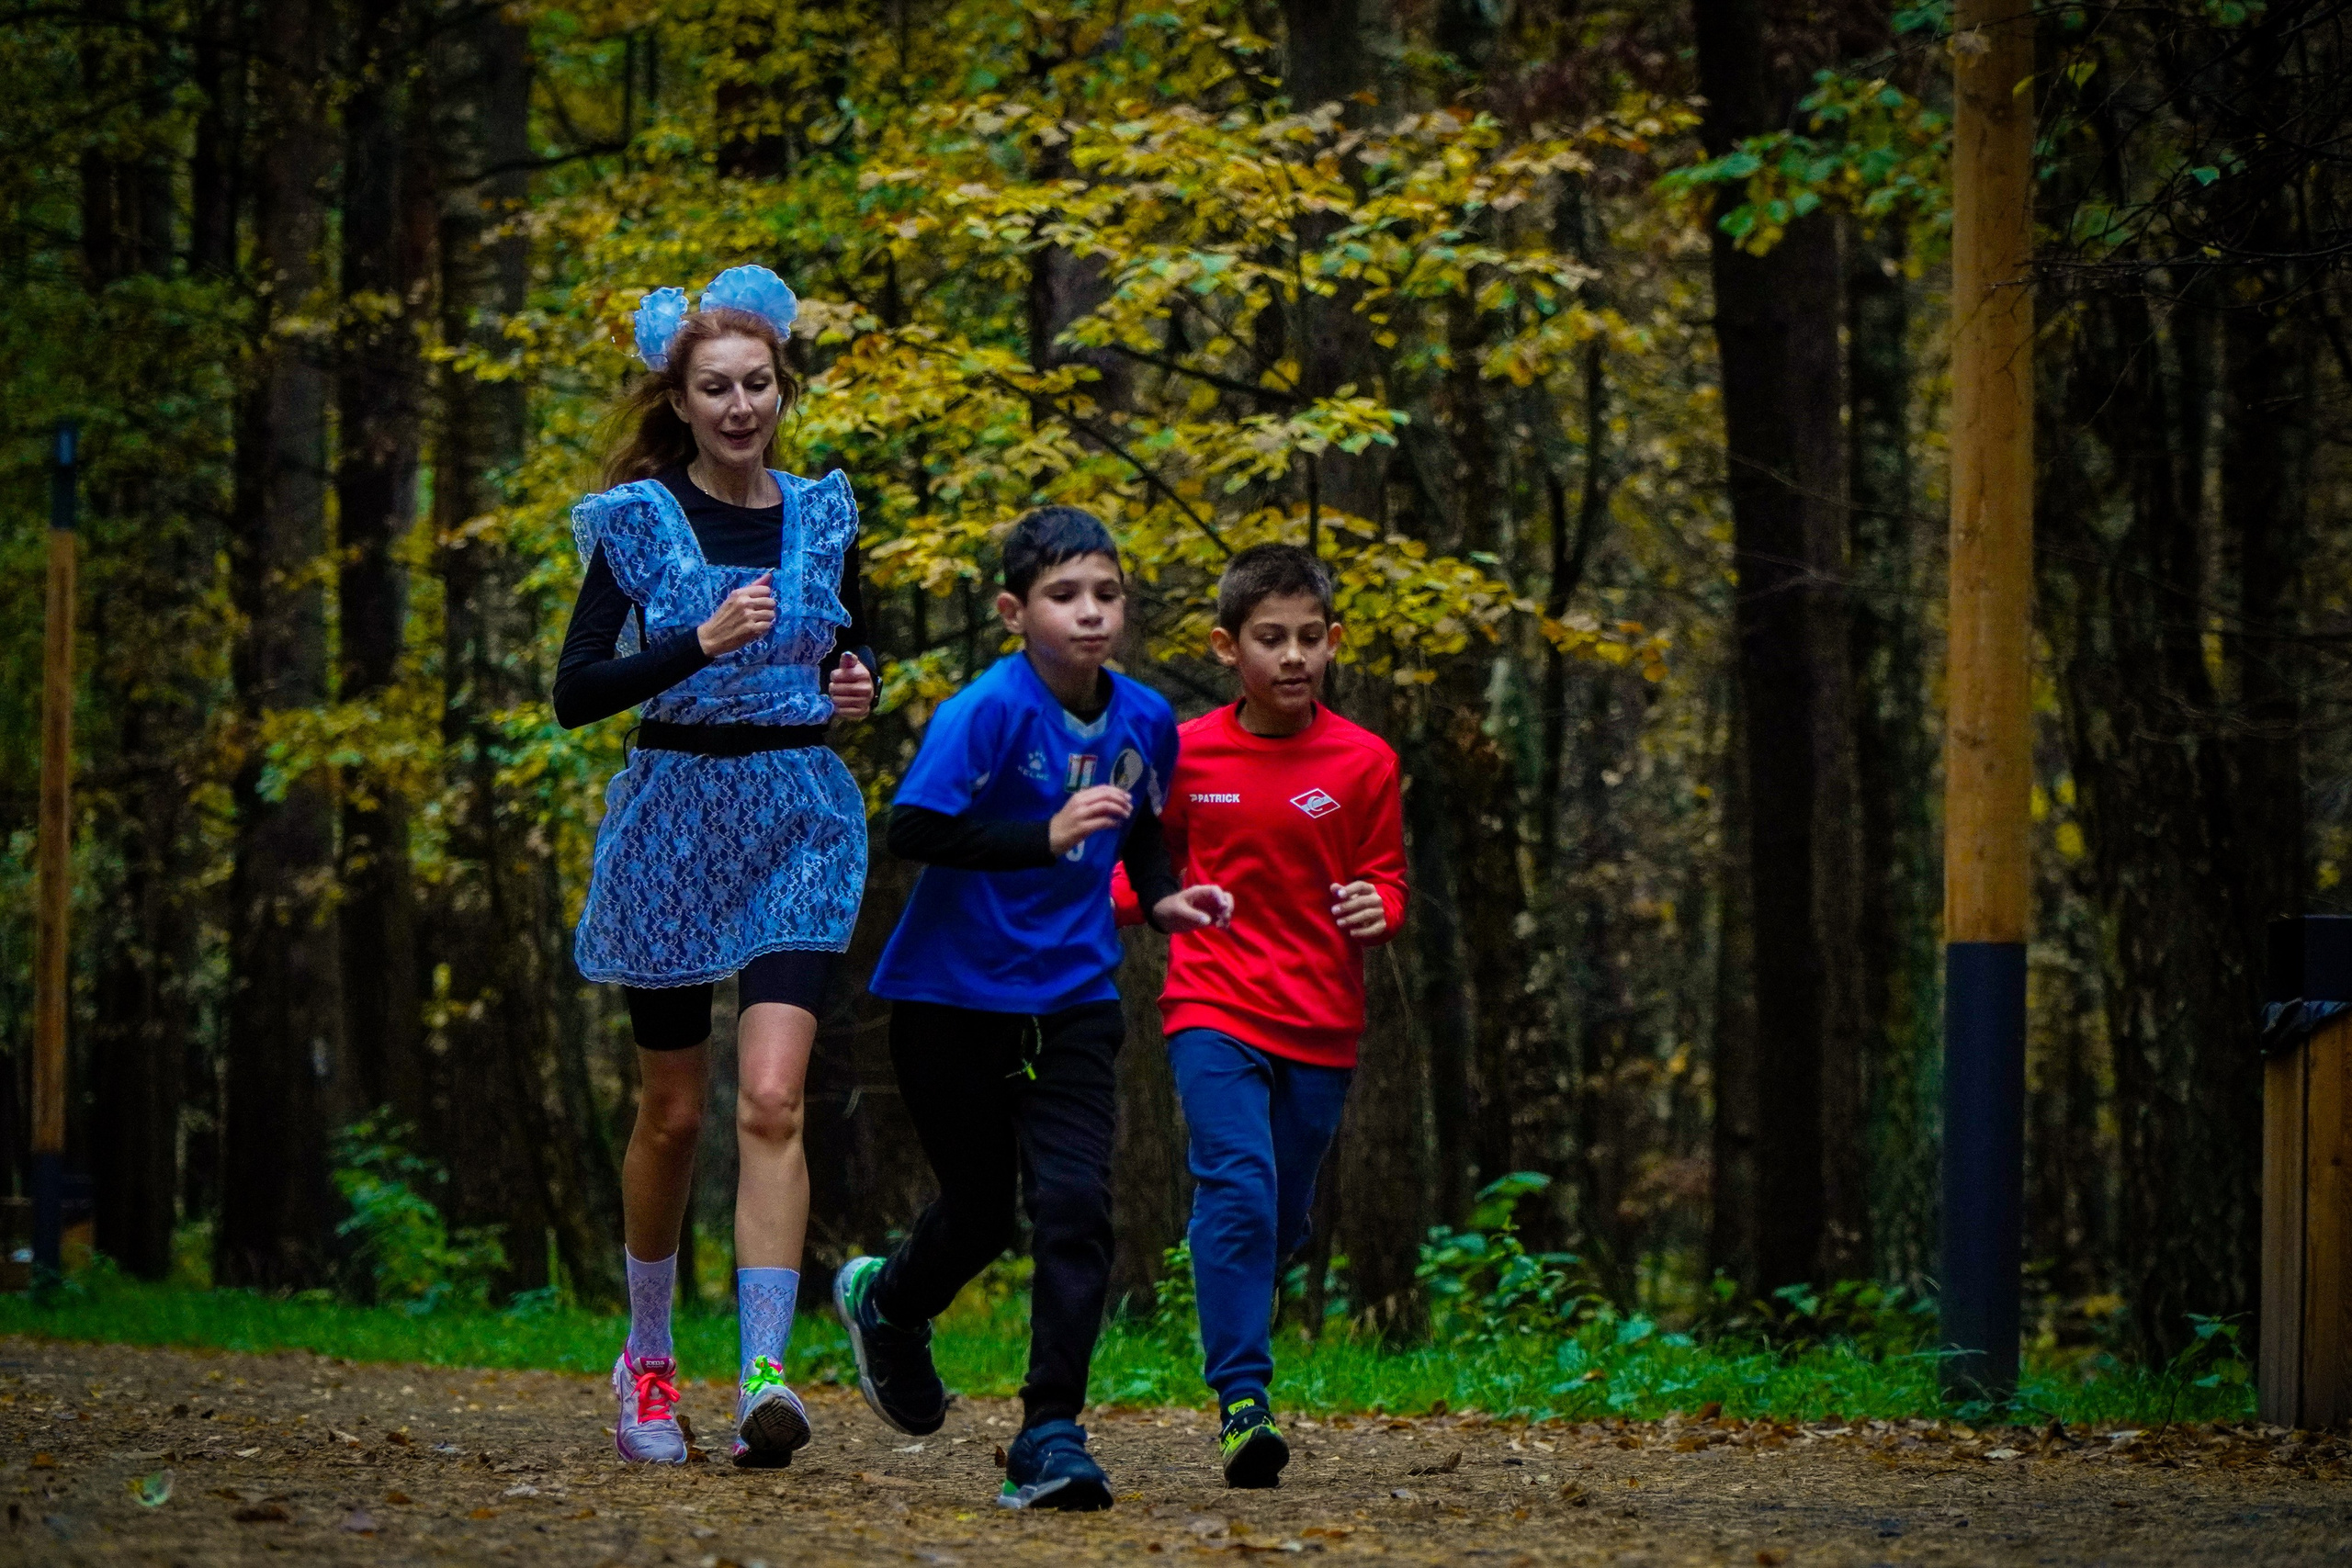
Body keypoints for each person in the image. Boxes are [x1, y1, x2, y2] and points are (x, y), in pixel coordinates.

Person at [830, 507, 1233, 1511]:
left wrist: (1165, 893)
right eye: (1064, 597)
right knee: (979, 1214)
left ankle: (1050, 1431)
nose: (1090, 615)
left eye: (1106, 595)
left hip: (1075, 996)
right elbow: (914, 827)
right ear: (1015, 611)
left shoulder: (1142, 717)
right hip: (947, 1000)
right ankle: (888, 1304)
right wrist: (1041, 835)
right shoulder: (988, 711)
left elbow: (1134, 821)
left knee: (1073, 1207)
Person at [553, 265, 874, 1470]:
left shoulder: (827, 512)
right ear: (679, 402)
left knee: (772, 1096)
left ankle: (765, 1374)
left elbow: (856, 646)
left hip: (797, 811)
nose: (741, 405)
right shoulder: (640, 522)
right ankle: (646, 1358)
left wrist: (859, 683)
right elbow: (577, 691)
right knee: (677, 1110)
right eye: (715, 388)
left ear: (782, 389)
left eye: (758, 384)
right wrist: (697, 637)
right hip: (674, 820)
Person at [1113, 542, 1407, 1487]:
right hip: (1213, 1000)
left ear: (1332, 645)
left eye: (1309, 639)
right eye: (1270, 639)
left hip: (1321, 1018)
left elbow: (1386, 881)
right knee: (1236, 1186)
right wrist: (1138, 901)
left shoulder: (1364, 762)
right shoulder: (1184, 752)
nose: (1292, 657)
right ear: (1224, 647)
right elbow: (1134, 871)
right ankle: (1244, 1401)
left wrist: (1379, 908)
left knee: (1276, 1215)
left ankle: (1232, 1275)